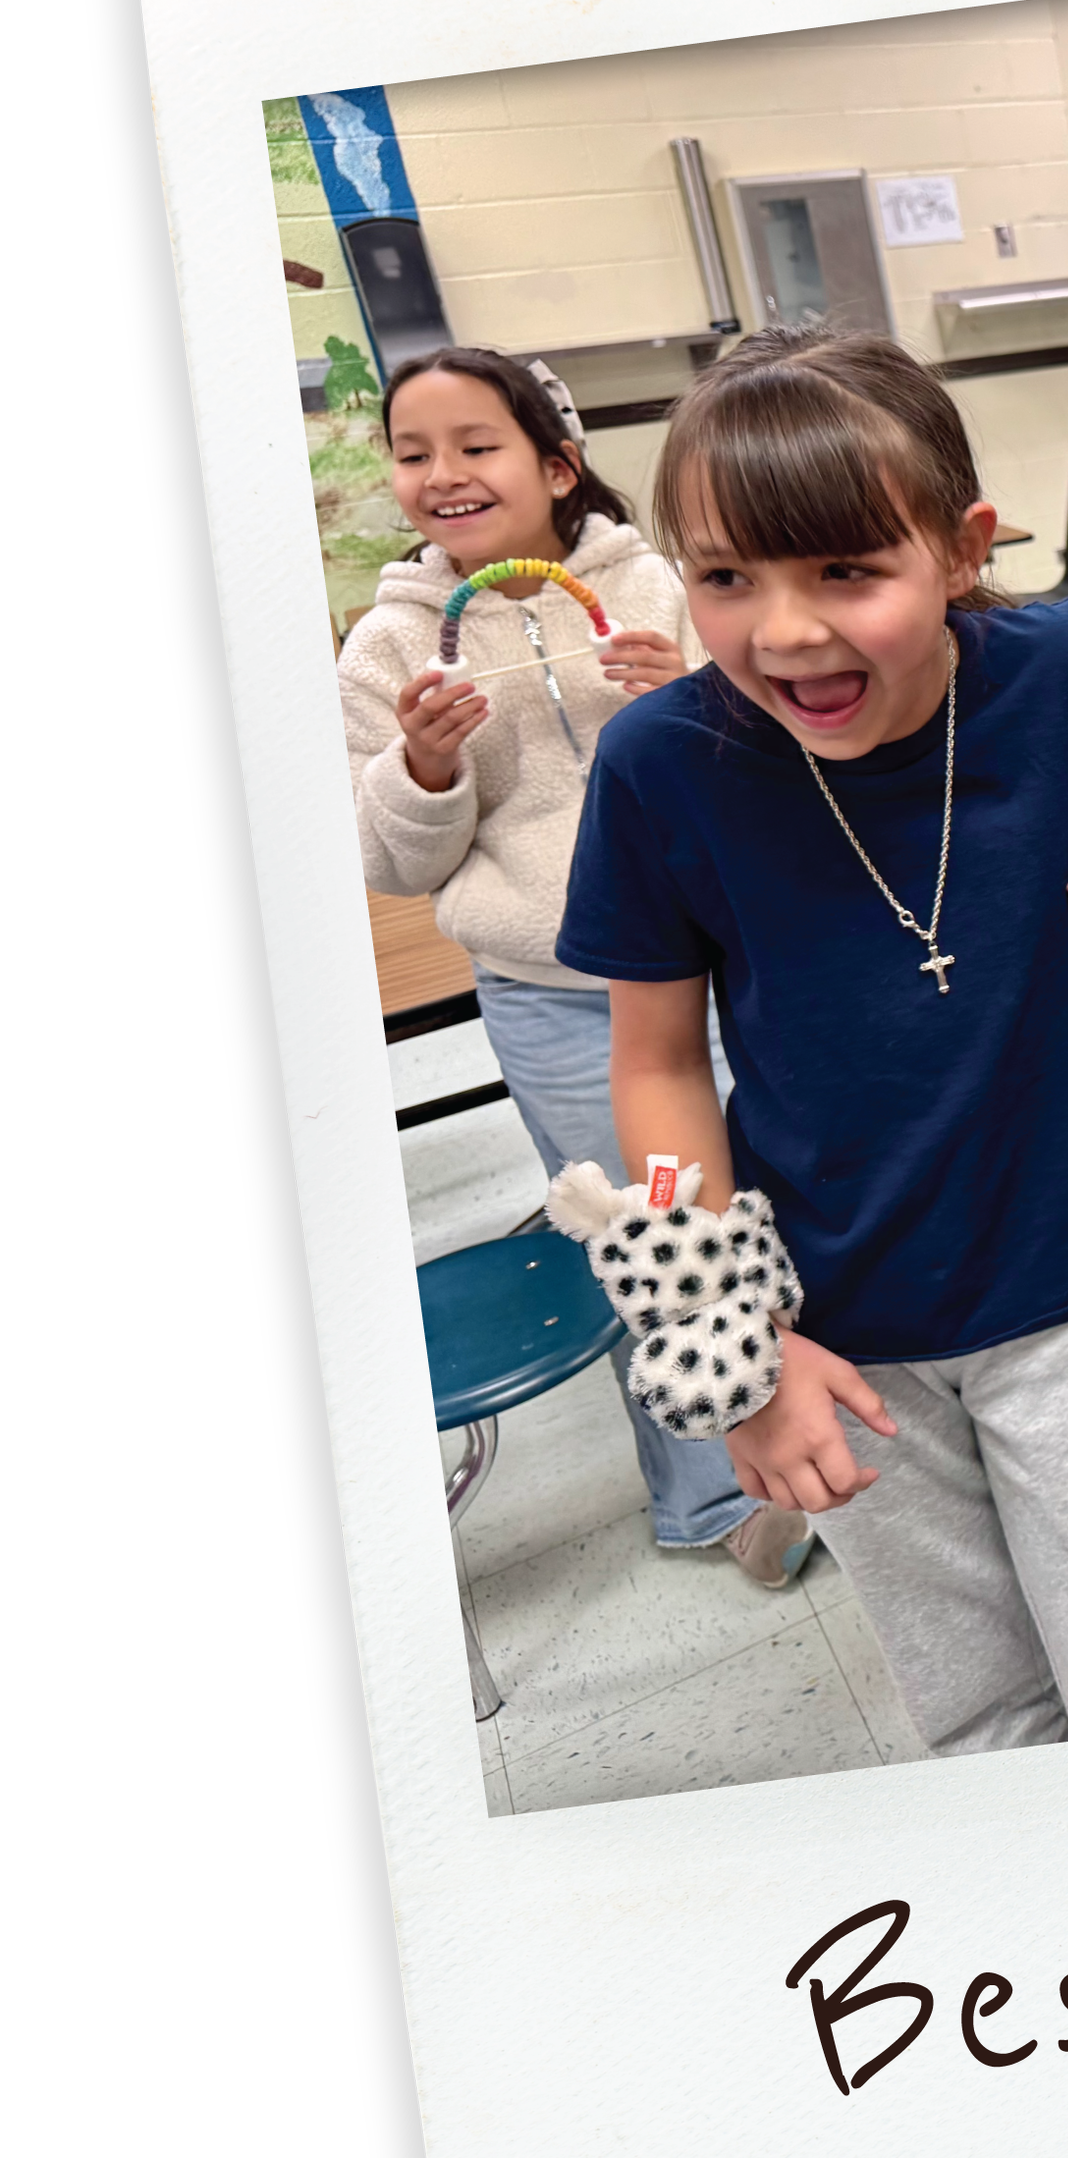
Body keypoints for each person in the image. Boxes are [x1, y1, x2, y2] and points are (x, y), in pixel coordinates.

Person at [552, 328, 1068, 1755]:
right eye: (725, 578)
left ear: (963, 549)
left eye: (846, 572)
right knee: (977, 1715)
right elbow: (658, 1063)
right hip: (833, 1332)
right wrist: (733, 1339)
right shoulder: (663, 765)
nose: (785, 632)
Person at [338, 344, 799, 1586]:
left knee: (792, 1184)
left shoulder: (657, 584)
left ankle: (828, 1412)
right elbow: (391, 862)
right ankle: (712, 1494)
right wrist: (424, 767)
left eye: (475, 444)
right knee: (651, 1231)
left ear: (555, 465)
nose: (442, 472)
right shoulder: (388, 648)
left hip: (728, 963)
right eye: (413, 452)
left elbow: (782, 759)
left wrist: (703, 698)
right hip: (555, 1000)